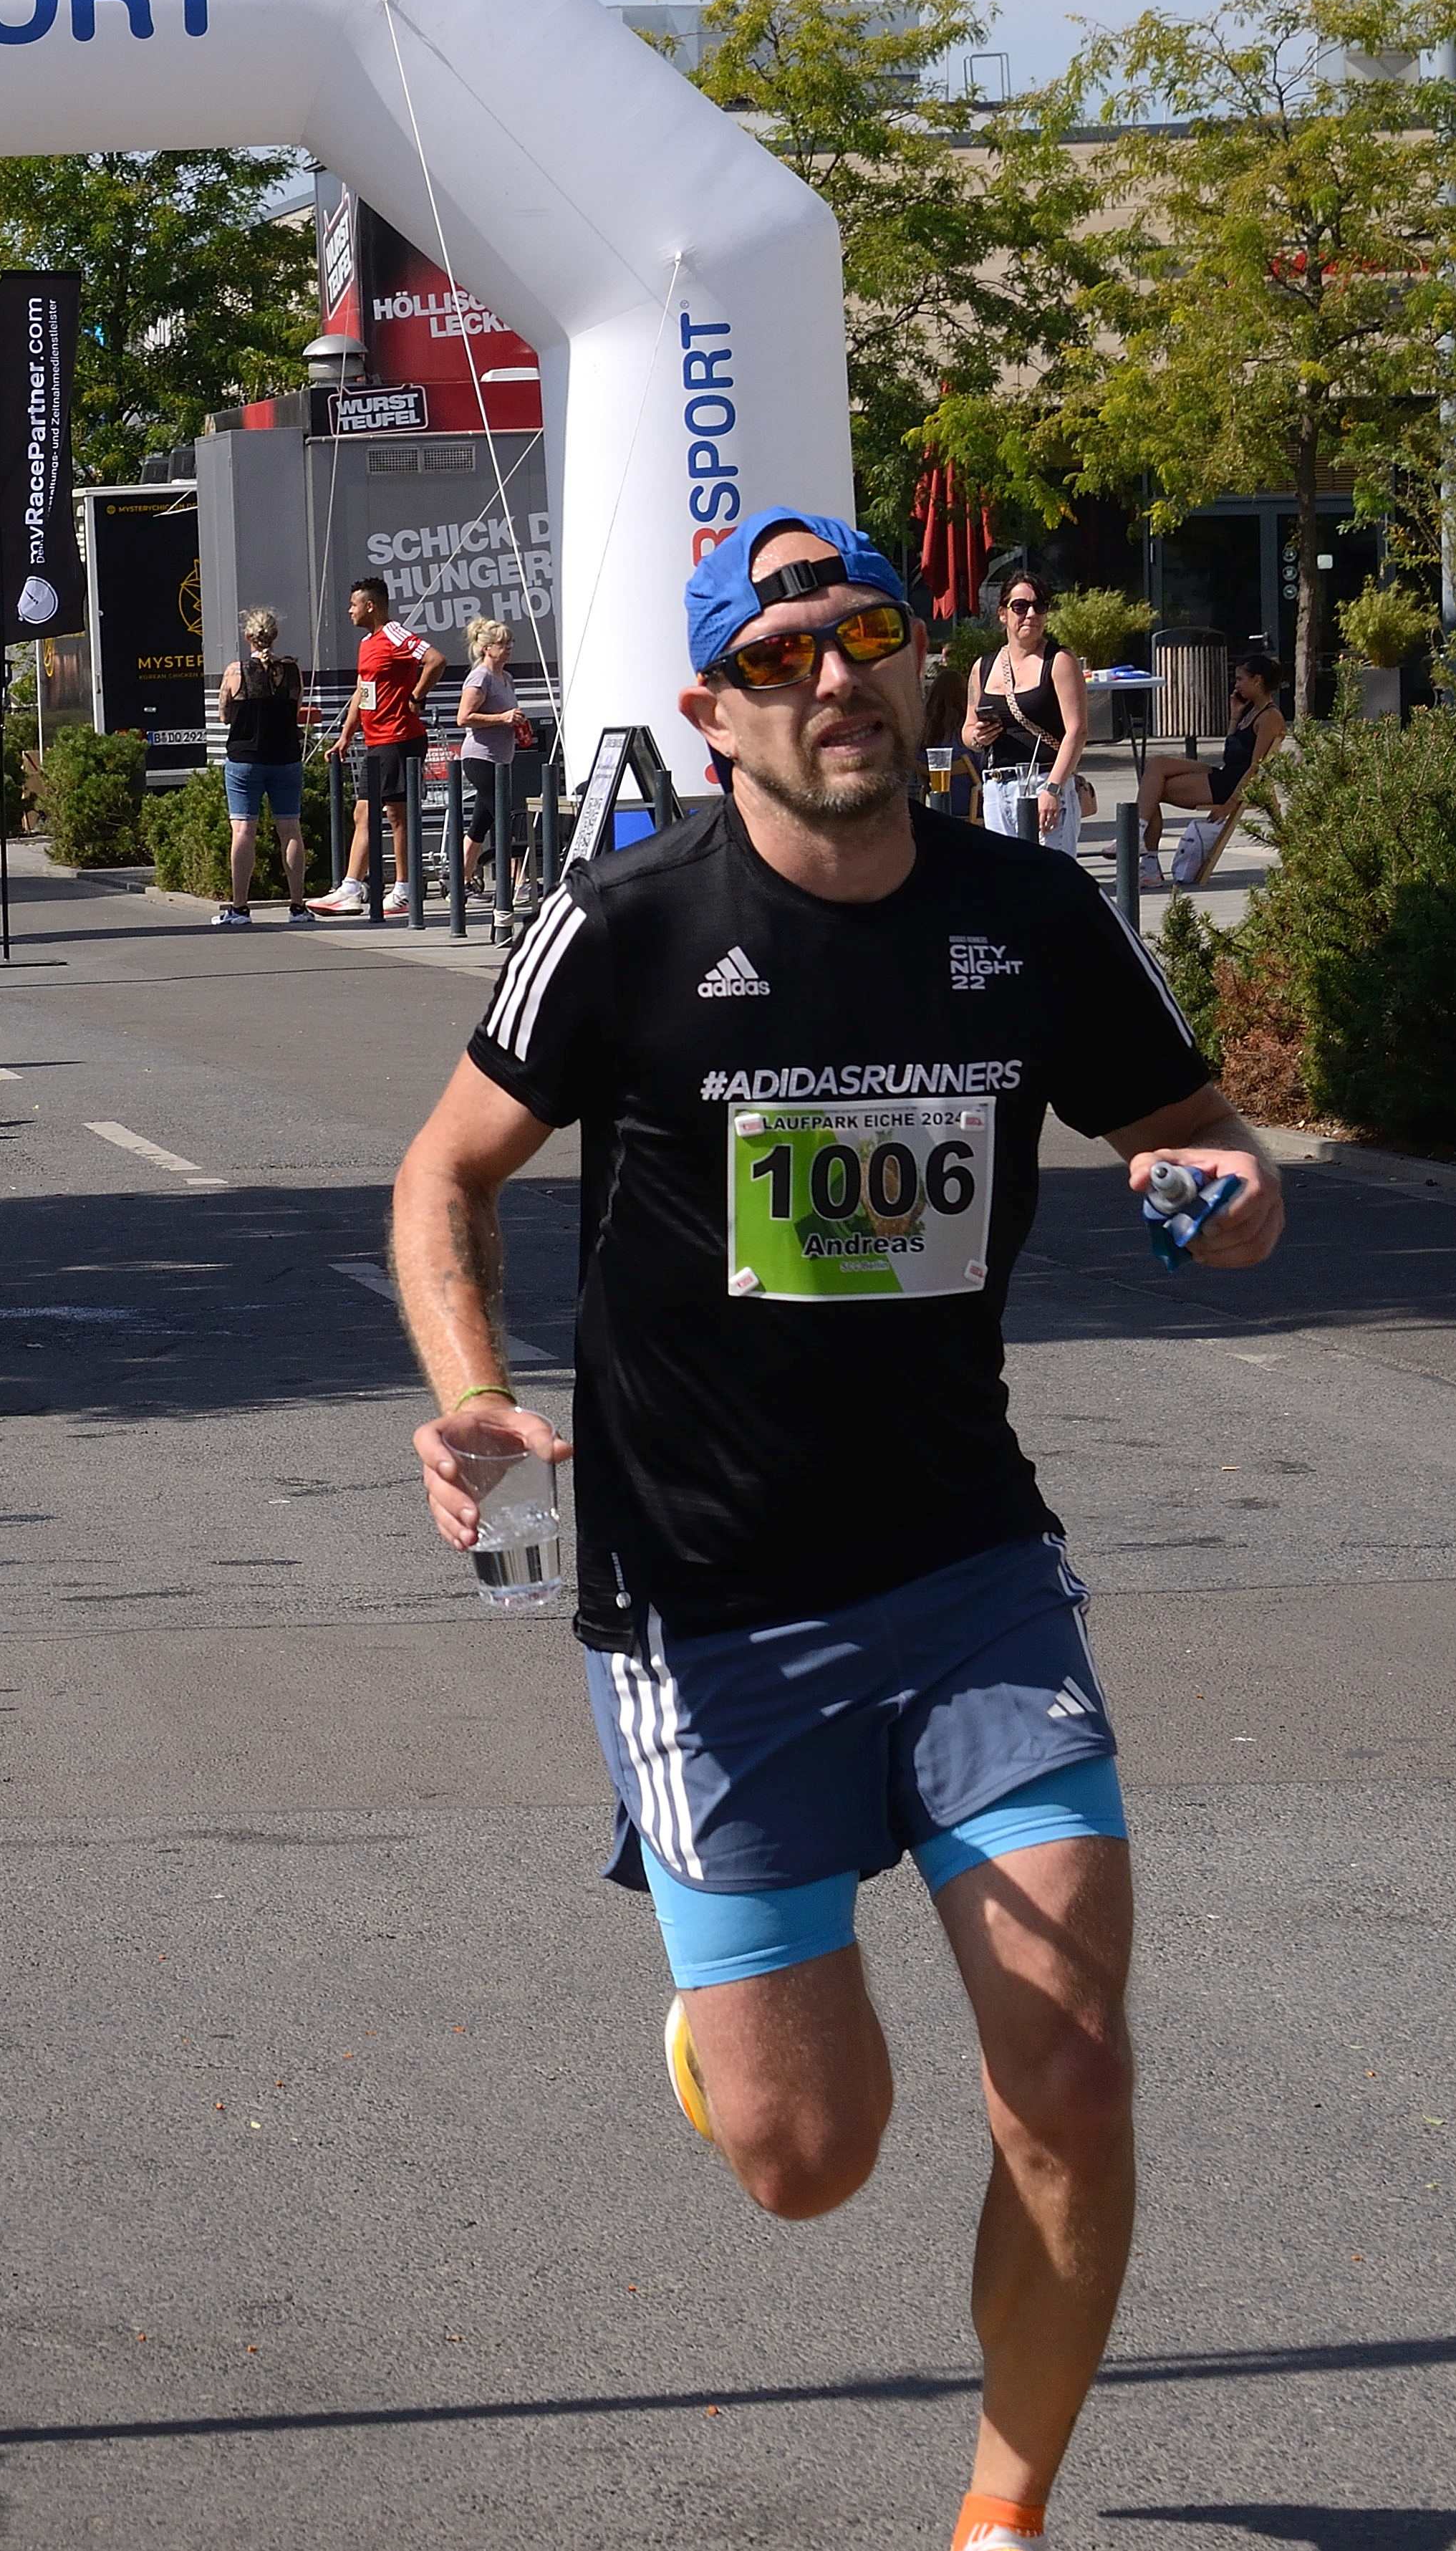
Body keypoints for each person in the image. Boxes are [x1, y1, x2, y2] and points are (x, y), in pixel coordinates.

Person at [385, 511, 1286, 2551]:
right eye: (777, 656)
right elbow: (442, 1174)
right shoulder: (626, 922)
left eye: (864, 632)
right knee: (809, 2157)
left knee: (1070, 2075)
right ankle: (732, 2039)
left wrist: (1218, 1200)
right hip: (704, 1608)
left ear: (917, 659)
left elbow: (1199, 1146)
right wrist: (468, 1389)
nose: (832, 677)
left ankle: (1001, 2514)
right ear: (709, 712)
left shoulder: (1028, 915)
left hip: (969, 1573)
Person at [308, 576, 437, 921]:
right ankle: (352, 887)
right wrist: (346, 734)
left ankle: (403, 889)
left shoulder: (395, 634)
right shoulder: (367, 644)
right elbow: (362, 691)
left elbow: (435, 660)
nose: (349, 611)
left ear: (370, 606)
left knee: (395, 815)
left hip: (400, 737)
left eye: (353, 605)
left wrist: (416, 695)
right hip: (376, 740)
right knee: (364, 813)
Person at [1133, 646, 1287, 877]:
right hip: (1226, 773)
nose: (1236, 685)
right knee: (1156, 766)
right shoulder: (1249, 711)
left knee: (1152, 790)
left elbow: (1256, 768)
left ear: (1257, 680)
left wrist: (1229, 806)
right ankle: (1140, 838)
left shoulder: (1269, 717)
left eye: (1240, 679)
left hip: (1233, 785)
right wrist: (1235, 715)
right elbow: (1232, 750)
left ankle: (1148, 862)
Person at [962, 577, 1085, 849]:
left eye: (1039, 607)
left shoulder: (1059, 661)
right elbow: (967, 732)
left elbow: (1077, 731)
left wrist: (1053, 789)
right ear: (1003, 614)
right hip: (997, 788)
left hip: (1044, 782)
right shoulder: (983, 667)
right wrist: (978, 736)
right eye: (1020, 606)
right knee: (1005, 875)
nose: (1031, 614)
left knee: (1050, 873)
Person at [211, 607, 310, 927]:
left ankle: (240, 908)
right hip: (286, 757)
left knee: (243, 831)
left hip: (245, 759)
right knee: (290, 829)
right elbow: (296, 709)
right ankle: (298, 907)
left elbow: (224, 715)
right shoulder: (292, 671)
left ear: (248, 637)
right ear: (275, 636)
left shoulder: (235, 671)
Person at [450, 615, 532, 905]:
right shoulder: (480, 677)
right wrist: (502, 718)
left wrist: (517, 723)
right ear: (486, 648)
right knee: (506, 818)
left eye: (510, 643)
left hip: (502, 758)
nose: (508, 648)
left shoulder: (506, 678)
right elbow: (464, 718)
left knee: (480, 825)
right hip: (481, 758)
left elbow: (507, 715)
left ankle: (458, 882)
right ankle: (519, 882)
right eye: (502, 644)